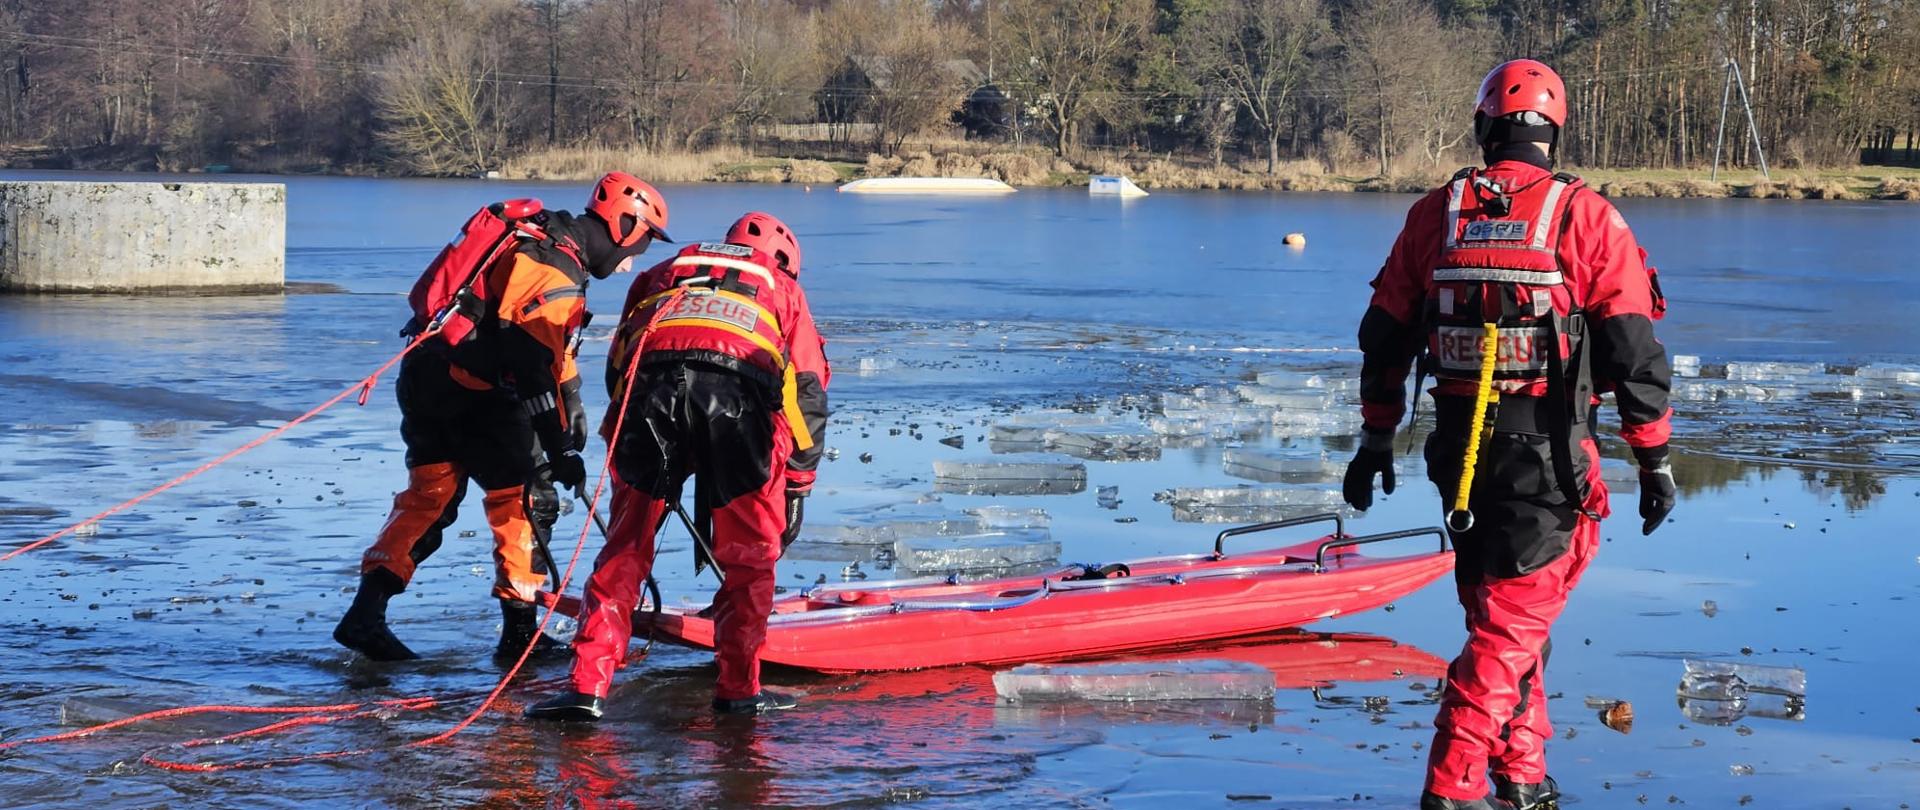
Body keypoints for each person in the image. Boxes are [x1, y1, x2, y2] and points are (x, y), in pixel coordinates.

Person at [1340, 60, 1676, 810]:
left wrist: (1373, 442)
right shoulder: (1585, 217)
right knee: (1507, 630)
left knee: (1503, 618)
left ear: (1485, 127)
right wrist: (1654, 459)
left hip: (1458, 451)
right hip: (1547, 455)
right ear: (1554, 135)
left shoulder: (1439, 212)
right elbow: (1633, 351)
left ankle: (1519, 774)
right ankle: (1452, 789)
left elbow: (1384, 336)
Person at [333, 172, 671, 662]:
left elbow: (545, 344)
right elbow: (528, 360)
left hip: (426, 376)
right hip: (478, 397)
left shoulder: (536, 237)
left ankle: (365, 614)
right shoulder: (556, 264)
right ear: (624, 226)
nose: (631, 264)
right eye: (640, 246)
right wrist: (558, 449)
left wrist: (571, 397)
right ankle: (519, 640)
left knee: (429, 498)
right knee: (530, 499)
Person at [527, 211, 829, 720]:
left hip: (650, 396)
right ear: (786, 263)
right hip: (736, 399)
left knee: (626, 548)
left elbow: (620, 359)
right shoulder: (782, 288)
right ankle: (738, 691)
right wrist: (796, 485)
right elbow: (806, 392)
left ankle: (586, 689)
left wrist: (633, 441)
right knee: (751, 556)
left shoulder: (664, 270)